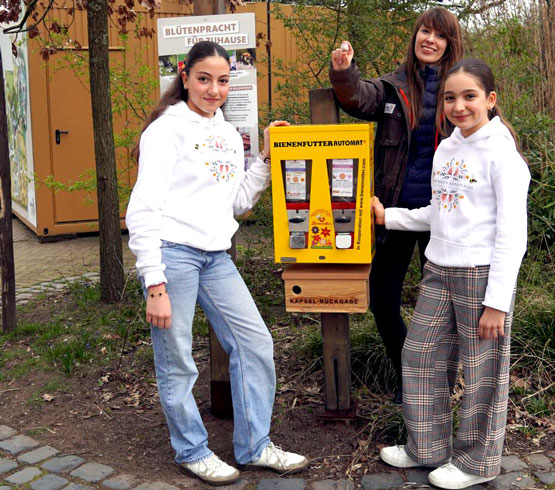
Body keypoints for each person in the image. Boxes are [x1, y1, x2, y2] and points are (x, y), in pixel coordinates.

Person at [126, 41, 307, 486]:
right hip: (173, 255)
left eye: (222, 80)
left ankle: (255, 446)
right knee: (178, 361)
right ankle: (191, 449)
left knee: (255, 344)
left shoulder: (227, 132)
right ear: (185, 76)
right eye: (204, 79)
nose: (213, 89)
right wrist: (155, 283)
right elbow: (143, 210)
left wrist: (264, 157)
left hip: (215, 257)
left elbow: (238, 201)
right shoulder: (165, 131)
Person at [372, 58, 530, 489]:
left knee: (483, 373)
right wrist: (391, 218)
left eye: (469, 96)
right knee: (419, 354)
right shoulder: (447, 147)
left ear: (490, 100)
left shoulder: (503, 156)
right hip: (439, 269)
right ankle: (428, 447)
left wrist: (496, 303)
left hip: (481, 276)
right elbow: (438, 213)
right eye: (450, 98)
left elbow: (513, 236)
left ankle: (478, 463)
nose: (459, 106)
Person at [329, 7, 463, 403]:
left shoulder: (460, 90)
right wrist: (343, 70)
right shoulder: (393, 87)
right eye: (425, 31)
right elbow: (357, 97)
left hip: (443, 217)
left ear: (449, 44)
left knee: (443, 304)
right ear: (415, 36)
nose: (429, 40)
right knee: (382, 295)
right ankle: (409, 372)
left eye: (439, 35)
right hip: (394, 214)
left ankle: (435, 385)